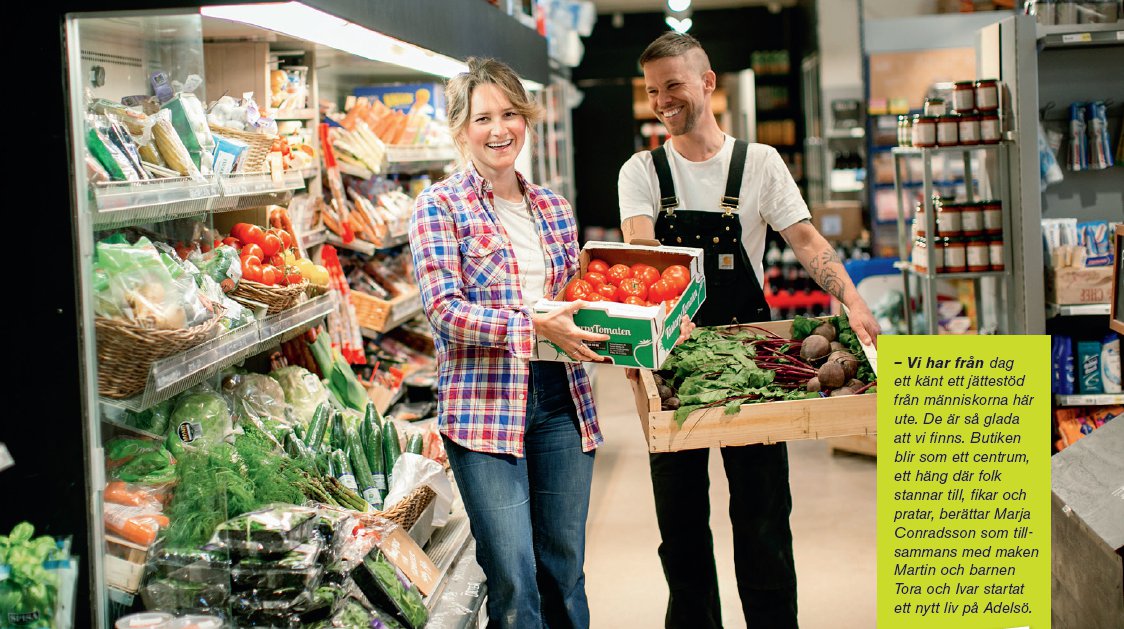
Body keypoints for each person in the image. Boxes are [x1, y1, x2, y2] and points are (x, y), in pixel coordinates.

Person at [618, 32, 881, 629]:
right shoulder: (642, 171)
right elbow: (641, 252)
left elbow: (808, 242)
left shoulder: (760, 163)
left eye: (674, 85)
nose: (664, 100)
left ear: (708, 83)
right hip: (673, 363)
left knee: (763, 516)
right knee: (679, 524)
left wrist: (852, 299)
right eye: (654, 90)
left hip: (752, 360)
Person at [408, 57, 611, 629]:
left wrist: (640, 324)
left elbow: (577, 297)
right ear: (460, 129)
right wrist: (534, 326)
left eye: (510, 114)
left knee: (565, 570)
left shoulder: (553, 208)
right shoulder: (439, 206)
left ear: (526, 119)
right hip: (483, 409)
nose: (499, 130)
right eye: (483, 118)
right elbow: (445, 311)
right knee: (515, 578)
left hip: (560, 401)